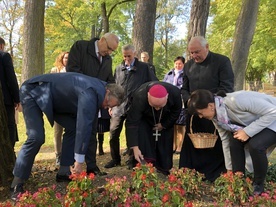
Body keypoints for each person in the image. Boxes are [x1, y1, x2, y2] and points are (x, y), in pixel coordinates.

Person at [10, 73, 124, 201]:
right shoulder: (90, 93)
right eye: (108, 103)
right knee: (36, 137)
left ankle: (64, 171)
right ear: (107, 92)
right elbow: (84, 126)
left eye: (109, 107)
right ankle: (16, 184)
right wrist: (79, 162)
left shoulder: (101, 89)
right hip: (33, 91)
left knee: (73, 128)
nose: (105, 107)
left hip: (56, 99)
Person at [187, 89, 276, 195]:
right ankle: (238, 180)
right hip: (259, 124)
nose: (201, 117)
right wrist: (229, 169)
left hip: (273, 120)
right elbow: (225, 140)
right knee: (234, 142)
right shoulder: (217, 117)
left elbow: (272, 112)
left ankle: (258, 185)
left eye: (200, 113)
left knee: (256, 145)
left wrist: (247, 132)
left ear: (211, 106)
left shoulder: (237, 101)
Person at [179, 36, 235, 182]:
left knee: (216, 143)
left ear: (207, 47)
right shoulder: (188, 65)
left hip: (214, 111)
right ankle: (192, 171)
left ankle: (215, 172)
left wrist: (208, 103)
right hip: (193, 112)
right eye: (191, 53)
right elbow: (184, 89)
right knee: (193, 143)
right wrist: (191, 101)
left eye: (197, 52)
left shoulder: (222, 61)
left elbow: (226, 87)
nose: (194, 56)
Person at [66, 33, 119, 175]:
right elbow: (72, 70)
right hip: (76, 98)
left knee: (91, 132)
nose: (109, 52)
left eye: (112, 51)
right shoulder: (81, 47)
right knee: (73, 131)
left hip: (95, 102)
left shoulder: (107, 59)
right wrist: (91, 88)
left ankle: (92, 167)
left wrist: (112, 98)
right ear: (101, 40)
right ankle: (67, 168)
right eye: (109, 48)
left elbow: (109, 79)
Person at [104, 44, 158, 169]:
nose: (127, 58)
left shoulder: (144, 68)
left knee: (132, 133)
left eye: (129, 56)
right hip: (118, 106)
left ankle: (132, 159)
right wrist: (110, 106)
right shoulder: (118, 68)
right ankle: (115, 159)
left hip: (135, 106)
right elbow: (113, 86)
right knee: (113, 132)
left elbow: (153, 83)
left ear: (134, 54)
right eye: (124, 56)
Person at [126, 82, 182, 175]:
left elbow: (176, 112)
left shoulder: (175, 93)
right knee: (144, 140)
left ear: (167, 97)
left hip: (165, 118)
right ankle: (145, 167)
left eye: (160, 106)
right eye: (154, 106)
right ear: (148, 96)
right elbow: (132, 122)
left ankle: (164, 167)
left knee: (165, 142)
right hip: (145, 119)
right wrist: (135, 147)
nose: (157, 109)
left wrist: (164, 124)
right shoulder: (140, 95)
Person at [0, 37, 20, 150]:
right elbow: (11, 79)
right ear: (1, 46)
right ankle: (9, 150)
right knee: (10, 125)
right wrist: (17, 98)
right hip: (5, 99)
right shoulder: (4, 56)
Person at [163, 56, 186, 154]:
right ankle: (173, 145)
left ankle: (180, 146)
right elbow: (163, 85)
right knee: (173, 124)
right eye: (176, 63)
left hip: (180, 101)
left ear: (183, 64)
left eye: (180, 63)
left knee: (180, 125)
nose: (178, 65)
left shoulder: (185, 75)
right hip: (169, 101)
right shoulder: (169, 74)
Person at [50, 51, 69, 166]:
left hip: (70, 105)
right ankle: (58, 154)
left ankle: (67, 154)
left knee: (70, 131)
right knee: (58, 131)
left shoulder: (74, 71)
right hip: (57, 105)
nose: (67, 60)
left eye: (69, 58)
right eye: (65, 58)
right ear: (61, 59)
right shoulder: (55, 71)